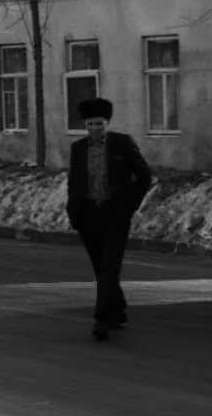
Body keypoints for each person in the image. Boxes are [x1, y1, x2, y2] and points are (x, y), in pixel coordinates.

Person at [64, 95, 153, 341]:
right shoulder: (78, 148)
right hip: (88, 214)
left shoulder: (122, 144)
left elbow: (144, 176)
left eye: (99, 123)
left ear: (108, 123)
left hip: (115, 214)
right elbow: (75, 181)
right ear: (85, 125)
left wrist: (128, 205)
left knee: (110, 267)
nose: (95, 129)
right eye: (90, 124)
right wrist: (73, 210)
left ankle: (102, 319)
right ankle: (117, 311)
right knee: (100, 268)